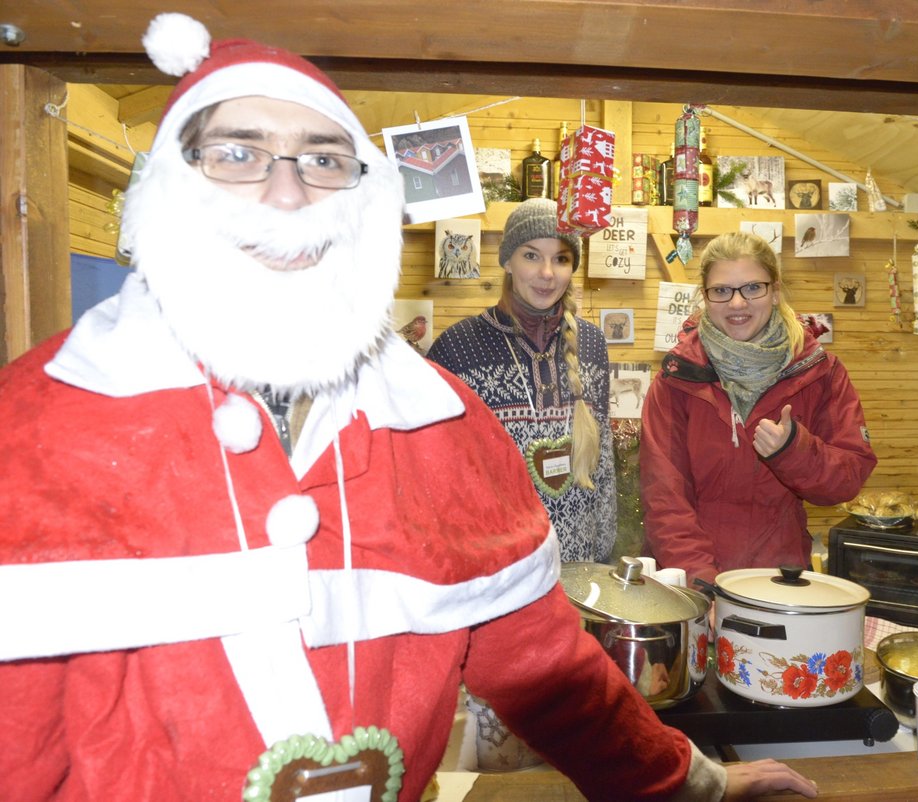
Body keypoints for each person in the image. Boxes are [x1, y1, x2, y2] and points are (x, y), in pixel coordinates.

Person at [0, 14, 818, 802]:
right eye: (238, 152)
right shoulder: (37, 430)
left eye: (323, 161)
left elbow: (543, 664)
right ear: (170, 188)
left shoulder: (438, 423)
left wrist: (684, 780)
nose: (287, 193)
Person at [640, 231, 877, 587]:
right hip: (693, 581)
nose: (737, 304)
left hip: (780, 580)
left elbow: (846, 481)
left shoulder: (820, 372)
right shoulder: (677, 380)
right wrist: (703, 586)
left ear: (775, 291)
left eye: (753, 288)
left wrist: (793, 452)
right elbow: (666, 500)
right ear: (705, 297)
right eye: (721, 291)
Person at [429, 198, 615, 563]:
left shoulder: (592, 343)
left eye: (561, 259)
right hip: (496, 574)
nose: (547, 273)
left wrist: (602, 565)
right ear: (507, 261)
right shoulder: (457, 348)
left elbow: (604, 465)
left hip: (580, 575)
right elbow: (438, 480)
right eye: (531, 256)